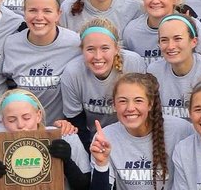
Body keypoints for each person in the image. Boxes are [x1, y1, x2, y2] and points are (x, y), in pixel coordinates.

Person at [60, 18, 148, 146]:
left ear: (116, 49)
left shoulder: (133, 64)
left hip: (129, 137)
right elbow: (76, 123)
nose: (98, 56)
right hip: (92, 140)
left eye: (105, 48)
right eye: (90, 49)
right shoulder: (73, 73)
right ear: (82, 50)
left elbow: (143, 111)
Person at [2, 0, 81, 121]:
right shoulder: (11, 44)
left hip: (60, 129)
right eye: (32, 10)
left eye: (47, 11)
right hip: (22, 129)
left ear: (58, 14)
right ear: (24, 12)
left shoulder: (74, 43)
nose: (39, 17)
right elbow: (8, 88)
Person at [147, 13, 201, 121]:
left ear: (194, 42)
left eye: (177, 39)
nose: (171, 46)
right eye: (164, 40)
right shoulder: (154, 71)